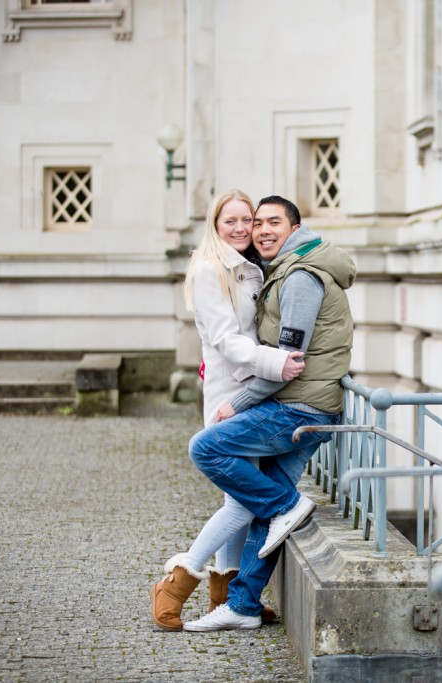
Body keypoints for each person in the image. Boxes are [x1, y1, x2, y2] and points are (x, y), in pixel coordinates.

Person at [182, 195, 355, 632]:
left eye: (271, 222)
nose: (259, 230)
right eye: (255, 222)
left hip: (300, 407)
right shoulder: (279, 269)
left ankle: (288, 505)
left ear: (295, 227)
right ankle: (242, 605)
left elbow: (287, 360)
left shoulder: (298, 278)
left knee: (205, 448)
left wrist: (235, 404)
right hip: (309, 405)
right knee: (267, 513)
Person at [149, 189, 306, 631]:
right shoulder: (209, 270)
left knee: (238, 498)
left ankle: (231, 598)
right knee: (241, 502)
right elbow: (225, 340)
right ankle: (176, 584)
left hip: (252, 393)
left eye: (248, 221)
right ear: (215, 226)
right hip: (230, 398)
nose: (242, 228)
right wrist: (276, 363)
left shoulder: (251, 268)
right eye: (231, 221)